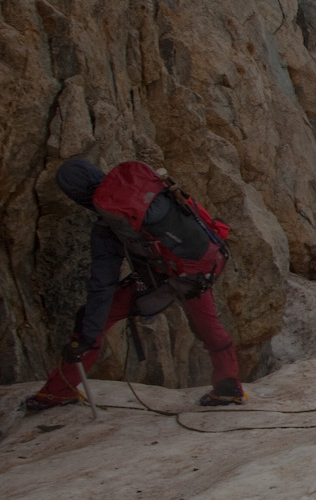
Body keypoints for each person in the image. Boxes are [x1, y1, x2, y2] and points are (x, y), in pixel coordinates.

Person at [25, 157, 244, 410]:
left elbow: (102, 286)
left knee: (96, 317)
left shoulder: (110, 222)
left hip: (167, 275)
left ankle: (57, 392)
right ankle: (229, 387)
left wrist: (87, 335)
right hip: (202, 265)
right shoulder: (143, 188)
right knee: (208, 324)